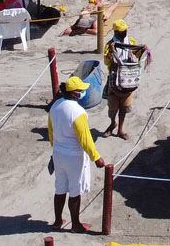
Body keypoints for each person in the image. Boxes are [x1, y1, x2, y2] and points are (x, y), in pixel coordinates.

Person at [49, 74, 107, 231]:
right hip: (74, 156)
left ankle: (57, 221)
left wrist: (54, 150)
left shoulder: (55, 106)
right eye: (80, 90)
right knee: (75, 191)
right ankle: (76, 224)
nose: (82, 92)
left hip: (58, 153)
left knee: (60, 188)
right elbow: (85, 138)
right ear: (74, 93)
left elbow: (51, 131)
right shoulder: (78, 112)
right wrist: (97, 157)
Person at [103, 19, 150, 139]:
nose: (124, 32)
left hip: (128, 79)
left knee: (124, 107)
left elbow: (137, 55)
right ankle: (113, 123)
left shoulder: (131, 41)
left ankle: (120, 129)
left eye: (125, 30)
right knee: (112, 109)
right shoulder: (109, 45)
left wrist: (142, 50)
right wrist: (111, 53)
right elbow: (106, 62)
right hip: (114, 80)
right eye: (121, 30)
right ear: (116, 31)